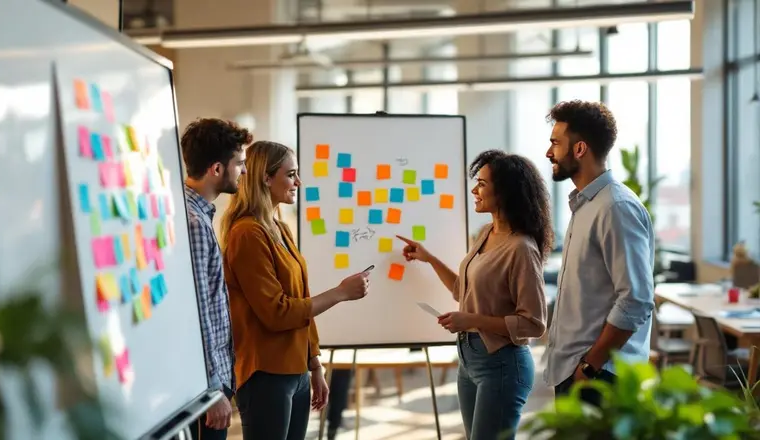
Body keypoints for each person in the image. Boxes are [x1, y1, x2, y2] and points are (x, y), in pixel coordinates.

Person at [220, 141, 371, 440]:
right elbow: (276, 312)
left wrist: (314, 363)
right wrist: (340, 293)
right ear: (266, 178)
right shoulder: (247, 233)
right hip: (266, 373)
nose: (298, 182)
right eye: (291, 174)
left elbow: (301, 298)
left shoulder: (280, 228)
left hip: (296, 370)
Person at [396, 149, 551, 440]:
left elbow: (533, 324)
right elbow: (463, 291)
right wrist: (429, 258)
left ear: (504, 191)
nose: (473, 190)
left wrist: (472, 320)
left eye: (481, 183)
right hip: (469, 360)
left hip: (502, 364)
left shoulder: (521, 248)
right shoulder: (486, 233)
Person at [543, 100, 655, 408]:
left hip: (599, 376)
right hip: (579, 371)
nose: (549, 152)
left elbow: (636, 298)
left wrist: (590, 366)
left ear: (579, 149)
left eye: (555, 143)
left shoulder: (615, 207)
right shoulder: (586, 205)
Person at [182, 118, 253, 440]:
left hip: (206, 381)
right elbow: (197, 313)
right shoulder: (194, 223)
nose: (244, 171)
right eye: (239, 163)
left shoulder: (196, 213)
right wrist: (212, 390)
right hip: (203, 387)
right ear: (216, 169)